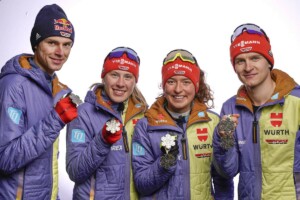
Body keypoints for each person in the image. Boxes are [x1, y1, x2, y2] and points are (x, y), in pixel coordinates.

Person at [212, 23, 300, 199]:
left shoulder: (296, 102)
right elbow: (228, 170)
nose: (248, 67)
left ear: (269, 61)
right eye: (240, 61)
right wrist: (224, 139)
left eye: (255, 58)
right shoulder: (230, 108)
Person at [0, 4, 79, 200]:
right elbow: (5, 160)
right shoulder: (14, 85)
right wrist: (56, 119)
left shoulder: (57, 90)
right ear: (36, 44)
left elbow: (46, 164)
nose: (60, 52)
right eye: (52, 42)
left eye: (66, 44)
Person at [131, 49, 234, 199]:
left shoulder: (213, 123)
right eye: (171, 82)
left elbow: (225, 177)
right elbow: (141, 184)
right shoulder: (146, 126)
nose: (178, 89)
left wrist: (226, 140)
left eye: (186, 82)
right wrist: (166, 162)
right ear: (164, 86)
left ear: (196, 86)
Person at [66, 47, 148, 200]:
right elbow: (75, 171)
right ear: (104, 76)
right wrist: (103, 140)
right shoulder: (83, 114)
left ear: (135, 81)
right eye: (114, 75)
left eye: (128, 77)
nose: (120, 83)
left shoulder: (144, 115)